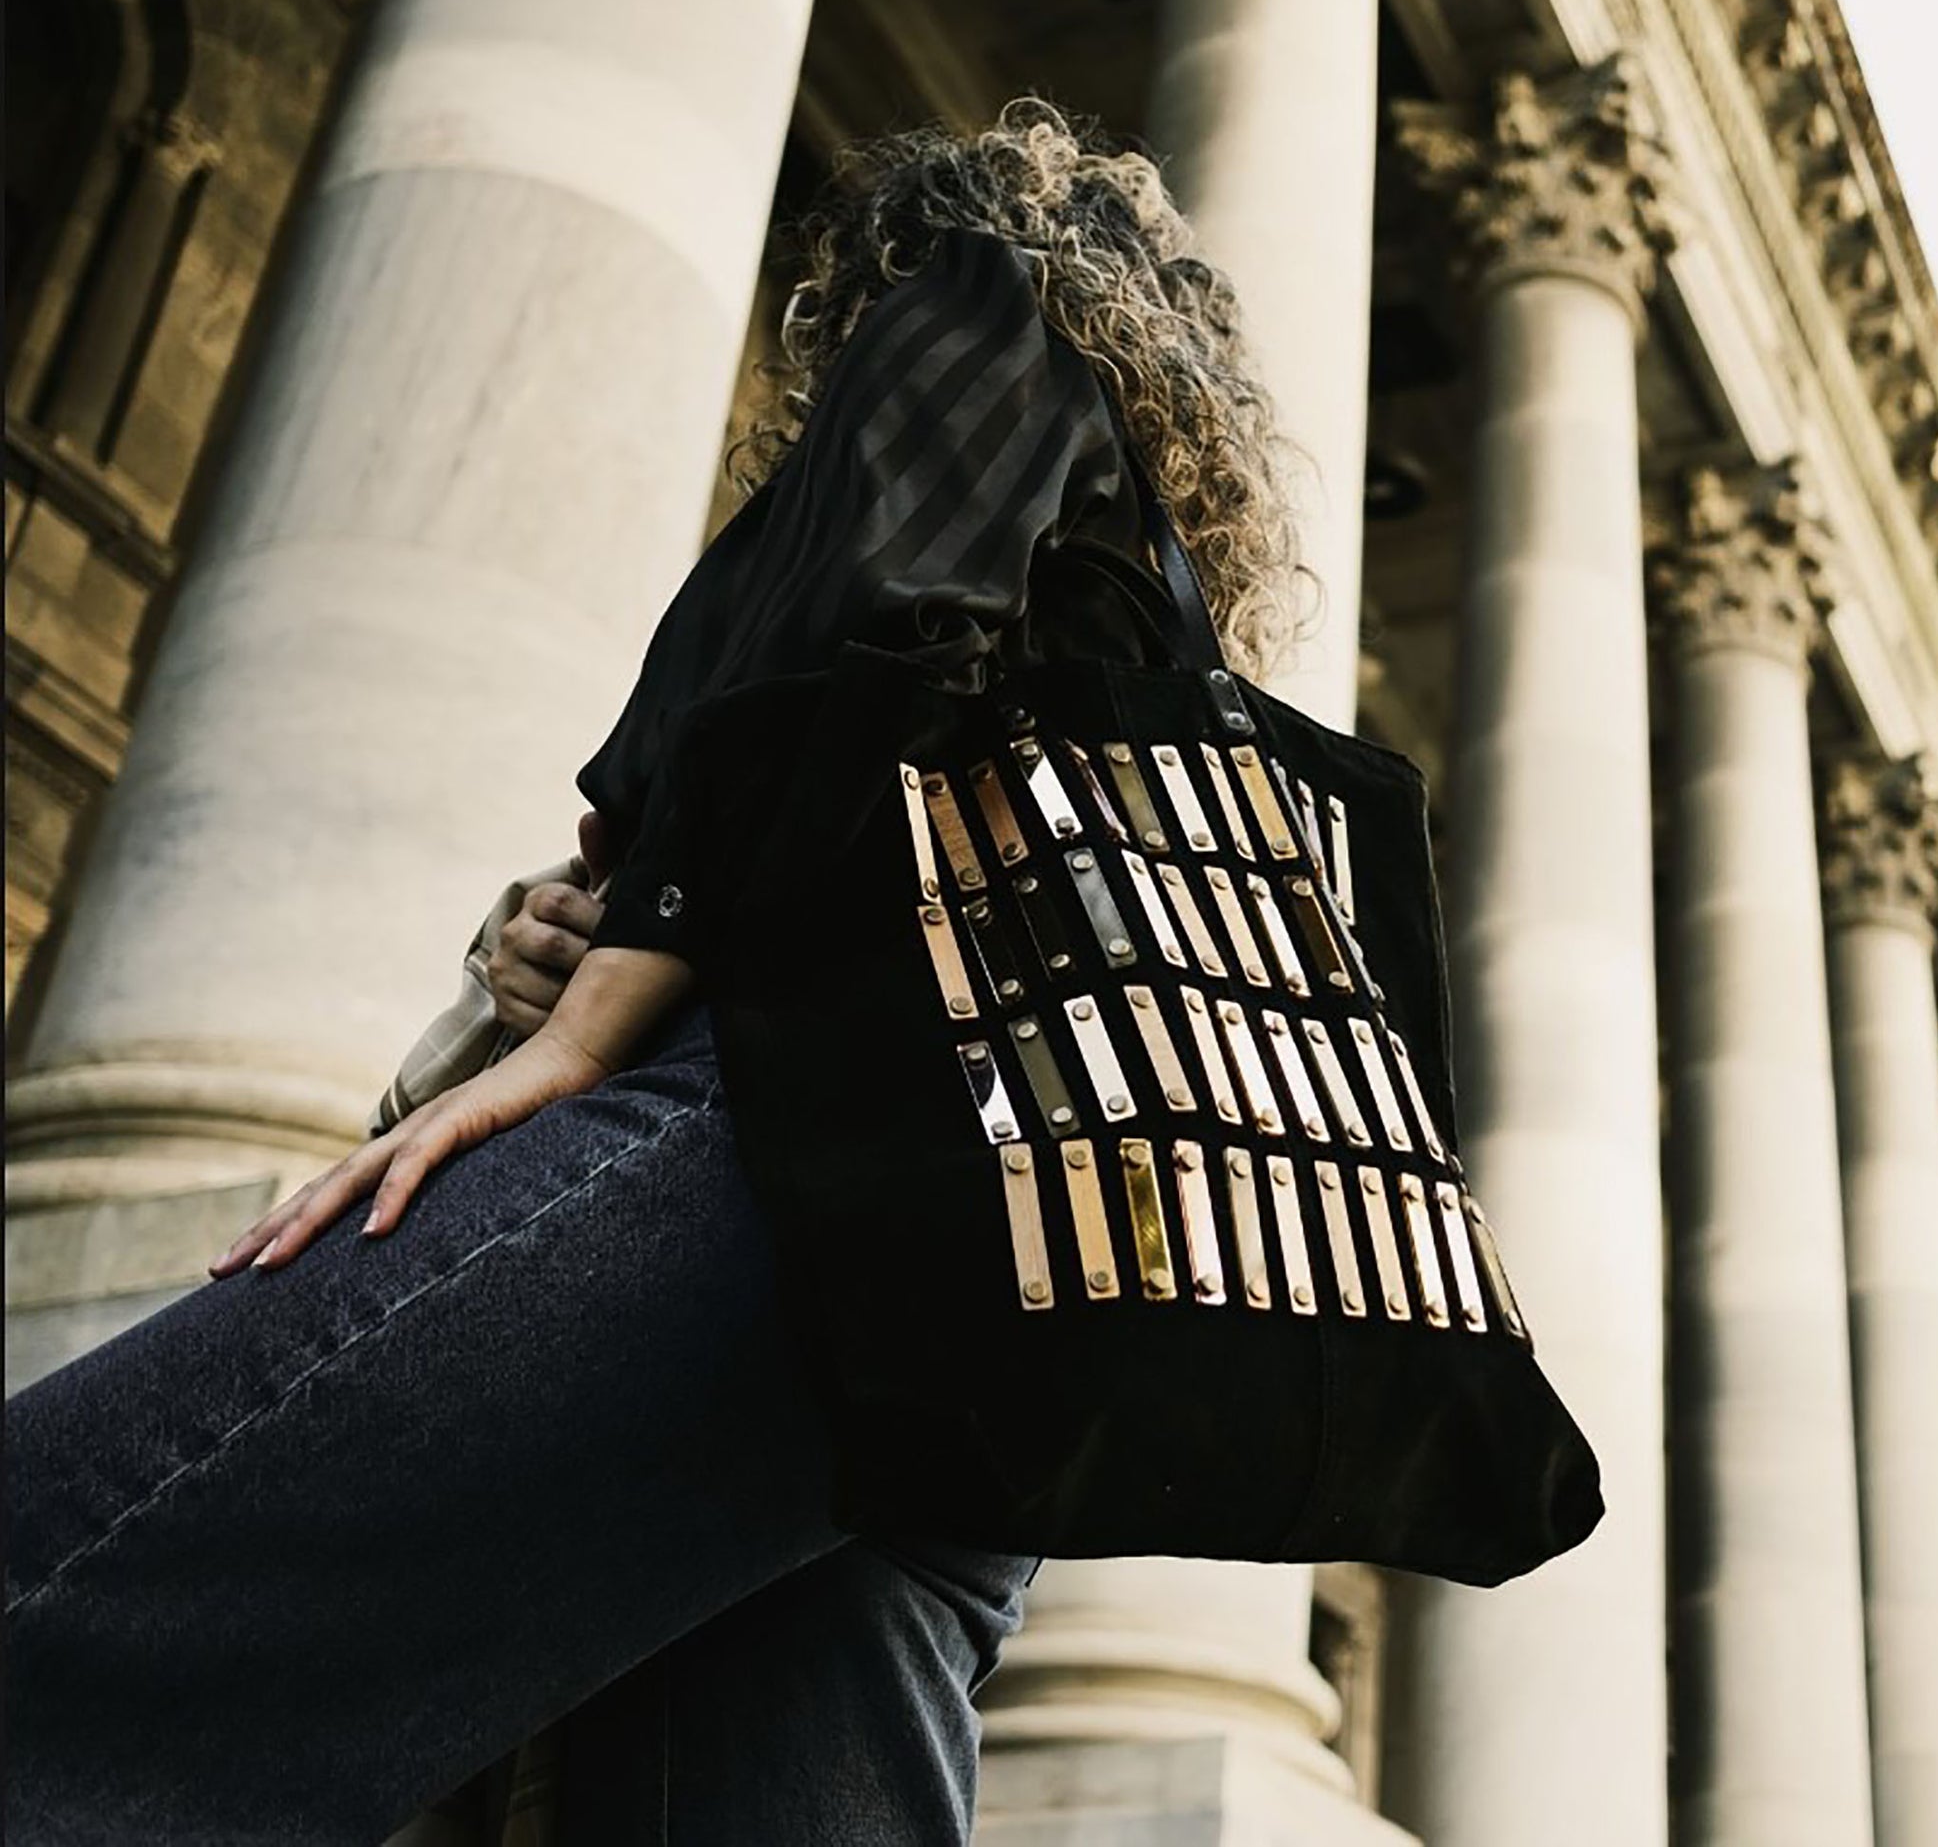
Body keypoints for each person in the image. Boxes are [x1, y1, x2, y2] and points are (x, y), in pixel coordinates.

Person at [3, 99, 1308, 1846]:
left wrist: (590, 1017)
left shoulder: (989, 298)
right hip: (1018, 1300)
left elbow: (877, 627)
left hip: (794, 1175)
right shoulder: (1140, 634)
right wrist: (576, 947)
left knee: (69, 1597)